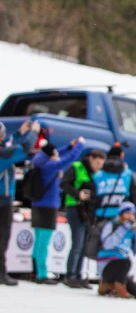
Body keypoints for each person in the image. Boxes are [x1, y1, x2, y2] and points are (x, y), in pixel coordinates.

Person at [30, 137, 86, 284]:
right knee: (44, 243)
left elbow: (55, 153)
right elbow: (69, 159)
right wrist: (79, 145)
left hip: (37, 205)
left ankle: (35, 271)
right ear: (51, 156)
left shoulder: (39, 160)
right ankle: (42, 274)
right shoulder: (50, 166)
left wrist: (68, 145)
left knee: (38, 242)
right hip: (48, 207)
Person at [0, 121, 39, 286]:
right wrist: (33, 133)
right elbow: (23, 149)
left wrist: (18, 133)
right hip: (2, 200)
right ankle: (1, 274)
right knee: (2, 238)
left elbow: (7, 145)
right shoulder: (3, 154)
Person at [61, 148, 106, 288]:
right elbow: (63, 183)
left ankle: (78, 276)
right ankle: (70, 275)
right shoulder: (77, 167)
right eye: (97, 163)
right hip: (75, 207)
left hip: (88, 211)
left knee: (83, 245)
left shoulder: (97, 174)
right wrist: (77, 194)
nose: (99, 166)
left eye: (101, 164)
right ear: (91, 158)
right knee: (77, 243)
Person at [96, 202, 136, 299]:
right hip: (107, 264)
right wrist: (123, 229)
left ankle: (109, 286)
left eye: (132, 214)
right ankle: (115, 286)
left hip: (121, 269)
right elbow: (107, 245)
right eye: (127, 213)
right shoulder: (112, 225)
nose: (130, 217)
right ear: (121, 214)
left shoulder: (131, 229)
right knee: (125, 261)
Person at [92, 143, 136, 220]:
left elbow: (92, 200)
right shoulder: (128, 174)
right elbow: (135, 197)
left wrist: (90, 223)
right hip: (123, 217)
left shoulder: (98, 175)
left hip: (101, 217)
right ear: (122, 155)